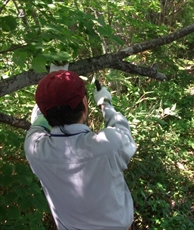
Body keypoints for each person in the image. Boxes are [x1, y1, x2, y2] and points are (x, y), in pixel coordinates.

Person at [24, 64, 137, 230]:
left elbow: (38, 124)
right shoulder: (109, 145)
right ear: (84, 103)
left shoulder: (35, 149)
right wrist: (105, 103)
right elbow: (123, 131)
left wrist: (53, 85)